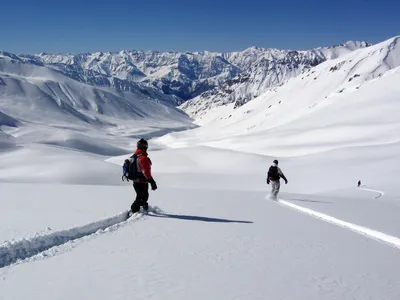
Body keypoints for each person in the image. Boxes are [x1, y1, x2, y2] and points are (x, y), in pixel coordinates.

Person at [128, 138, 157, 214]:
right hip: (142, 181)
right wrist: (152, 181)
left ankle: (143, 207)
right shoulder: (142, 158)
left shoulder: (135, 156)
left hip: (136, 181)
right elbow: (146, 171)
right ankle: (134, 210)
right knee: (142, 197)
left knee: (141, 196)